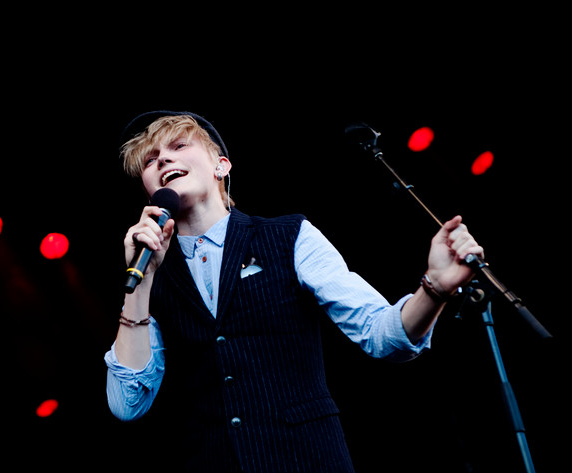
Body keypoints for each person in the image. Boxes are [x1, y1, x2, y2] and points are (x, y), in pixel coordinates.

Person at [104, 111, 484, 472]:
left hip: (307, 458)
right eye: (151, 160)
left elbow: (383, 335)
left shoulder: (289, 235)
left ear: (221, 165)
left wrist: (433, 289)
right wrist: (142, 282)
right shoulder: (147, 271)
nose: (164, 160)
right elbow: (127, 403)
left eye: (178, 146)